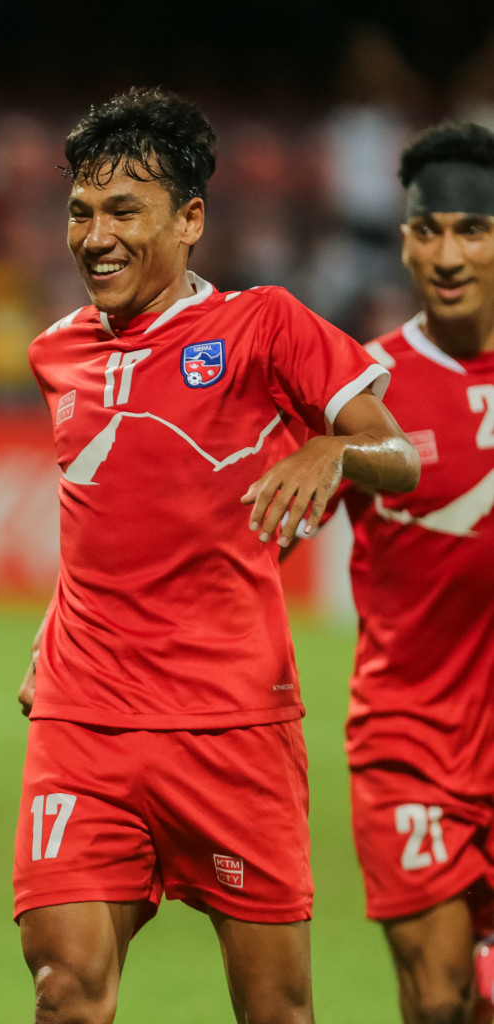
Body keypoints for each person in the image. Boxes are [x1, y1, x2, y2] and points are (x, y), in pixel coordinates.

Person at [15, 86, 420, 1024]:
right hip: (84, 721)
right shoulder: (55, 352)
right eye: (81, 211)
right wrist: (51, 626)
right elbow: (107, 511)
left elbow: (397, 455)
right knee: (65, 988)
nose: (95, 236)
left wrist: (332, 447)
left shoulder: (264, 326)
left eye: (125, 211)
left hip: (232, 724)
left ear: (190, 219)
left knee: (275, 1011)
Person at [338, 121, 494, 1024]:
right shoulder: (366, 390)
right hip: (410, 742)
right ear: (401, 237)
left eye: (472, 228)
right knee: (435, 999)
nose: (446, 253)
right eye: (427, 230)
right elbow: (253, 538)